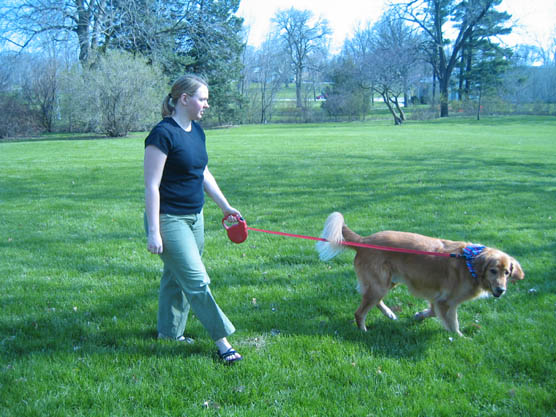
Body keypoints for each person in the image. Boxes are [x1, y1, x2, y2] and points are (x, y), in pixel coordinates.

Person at [144, 74, 242, 364]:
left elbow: (203, 172)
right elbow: (151, 185)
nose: (206, 105)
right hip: (169, 220)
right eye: (203, 99)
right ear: (184, 99)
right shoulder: (162, 134)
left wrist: (225, 206)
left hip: (194, 218)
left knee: (176, 277)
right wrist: (154, 231)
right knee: (197, 281)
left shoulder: (197, 131)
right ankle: (223, 342)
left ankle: (169, 334)